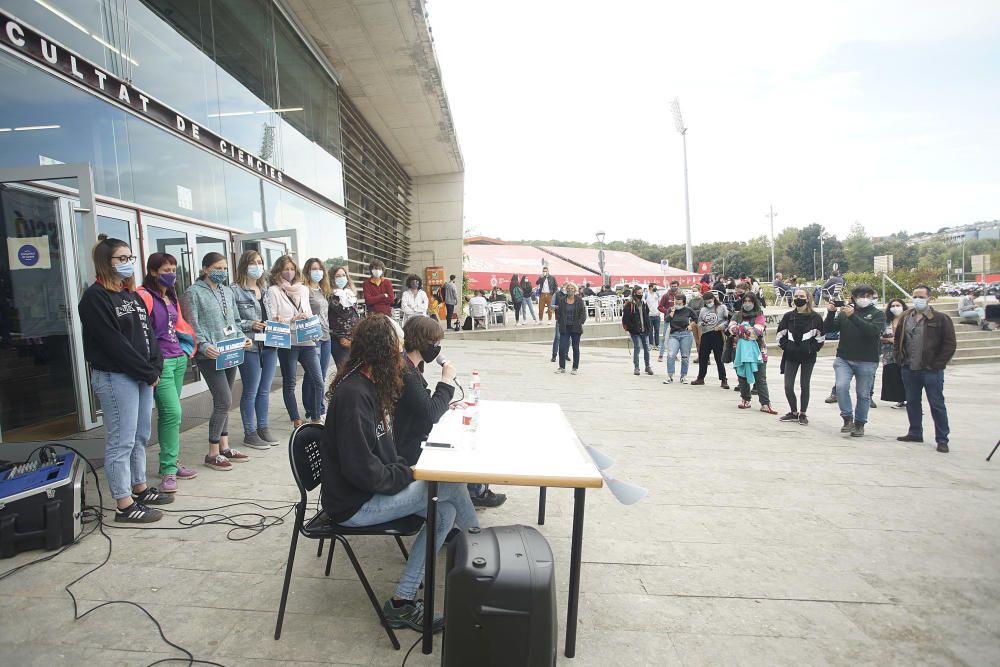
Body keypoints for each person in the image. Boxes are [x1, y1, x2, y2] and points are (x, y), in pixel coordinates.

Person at [319, 315, 479, 631]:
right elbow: (363, 472)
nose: (402, 357)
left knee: (444, 511)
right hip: (354, 504)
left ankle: (403, 602)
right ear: (385, 350)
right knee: (453, 485)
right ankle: (484, 555)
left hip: (370, 489)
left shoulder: (370, 385)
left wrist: (405, 471)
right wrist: (409, 473)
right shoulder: (354, 396)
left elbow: (382, 459)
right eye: (398, 349)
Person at [79, 236, 169, 522]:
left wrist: (155, 366)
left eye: (130, 258)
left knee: (140, 435)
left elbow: (148, 335)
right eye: (122, 258)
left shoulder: (129, 294)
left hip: (141, 377)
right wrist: (146, 372)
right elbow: (113, 344)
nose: (128, 263)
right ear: (106, 262)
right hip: (116, 377)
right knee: (121, 441)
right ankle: (124, 503)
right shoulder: (95, 298)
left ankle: (139, 487)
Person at [183, 252, 253, 471]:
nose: (222, 272)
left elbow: (235, 321)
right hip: (209, 355)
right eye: (217, 268)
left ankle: (224, 446)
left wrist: (243, 339)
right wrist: (204, 346)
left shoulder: (227, 291)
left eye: (224, 268)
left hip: (230, 351)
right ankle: (212, 452)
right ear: (205, 269)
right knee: (222, 400)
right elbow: (191, 326)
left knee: (227, 399)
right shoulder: (193, 293)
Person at [137, 253, 199, 493]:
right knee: (173, 413)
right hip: (160, 364)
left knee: (169, 416)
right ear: (153, 271)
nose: (172, 273)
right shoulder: (144, 296)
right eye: (166, 269)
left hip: (178, 359)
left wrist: (185, 350)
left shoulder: (170, 295)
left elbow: (177, 325)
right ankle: (168, 471)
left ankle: (170, 463)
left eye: (174, 268)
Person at [895, 286, 956, 453]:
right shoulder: (906, 317)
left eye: (921, 296)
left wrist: (938, 363)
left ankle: (942, 438)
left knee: (936, 404)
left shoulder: (940, 319)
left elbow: (949, 344)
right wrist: (898, 358)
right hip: (909, 367)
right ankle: (915, 432)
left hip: (931, 370)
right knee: (912, 402)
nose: (917, 299)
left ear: (929, 298)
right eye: (914, 296)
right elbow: (898, 339)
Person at [230, 250, 280, 451]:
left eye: (260, 262)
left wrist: (274, 322)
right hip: (250, 346)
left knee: (264, 390)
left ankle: (263, 427)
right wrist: (251, 324)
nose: (257, 266)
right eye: (253, 263)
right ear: (244, 266)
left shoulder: (265, 289)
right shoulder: (235, 290)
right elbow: (232, 321)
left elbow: (271, 313)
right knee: (251, 390)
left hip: (269, 344)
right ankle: (249, 432)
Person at [267, 256, 324, 427]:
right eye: (285, 269)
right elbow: (273, 318)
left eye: (292, 269)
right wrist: (293, 318)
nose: (289, 272)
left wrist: (309, 320)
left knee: (318, 381)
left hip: (306, 340)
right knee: (290, 382)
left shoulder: (304, 289)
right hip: (288, 342)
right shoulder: (273, 290)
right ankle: (296, 420)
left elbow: (307, 310)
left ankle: (315, 417)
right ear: (279, 270)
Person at [824, 284, 885, 437]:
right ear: (853, 298)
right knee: (841, 387)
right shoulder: (845, 314)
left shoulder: (877, 314)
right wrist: (831, 313)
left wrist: (853, 316)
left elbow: (872, 331)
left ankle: (860, 423)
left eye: (868, 296)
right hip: (844, 358)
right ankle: (847, 418)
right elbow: (829, 329)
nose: (864, 299)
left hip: (867, 360)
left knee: (863, 394)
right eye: (860, 296)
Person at [776, 288, 825, 425]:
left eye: (801, 296)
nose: (798, 298)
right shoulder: (788, 316)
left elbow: (820, 339)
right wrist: (788, 347)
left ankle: (803, 413)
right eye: (796, 296)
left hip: (808, 357)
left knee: (805, 385)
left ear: (807, 298)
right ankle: (793, 412)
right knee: (788, 386)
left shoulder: (816, 318)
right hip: (791, 356)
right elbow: (780, 336)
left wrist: (810, 349)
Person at [304, 258, 334, 420]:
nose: (318, 272)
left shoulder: (322, 290)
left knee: (321, 375)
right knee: (312, 376)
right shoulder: (305, 290)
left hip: (326, 337)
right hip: (313, 338)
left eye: (320, 269)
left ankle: (319, 408)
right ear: (307, 271)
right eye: (314, 269)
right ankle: (313, 411)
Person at [691, 290, 730, 388]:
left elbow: (728, 320)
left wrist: (721, 326)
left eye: (710, 301)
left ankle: (723, 379)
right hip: (705, 334)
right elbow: (699, 322)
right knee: (703, 357)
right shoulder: (703, 310)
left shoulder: (722, 308)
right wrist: (702, 324)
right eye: (706, 302)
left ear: (713, 299)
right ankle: (700, 378)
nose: (708, 303)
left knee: (719, 358)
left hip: (717, 334)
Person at [328, 265, 360, 369]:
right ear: (332, 278)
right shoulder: (330, 296)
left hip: (354, 340)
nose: (341, 278)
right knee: (344, 372)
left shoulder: (349, 294)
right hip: (340, 341)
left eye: (343, 275)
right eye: (338, 276)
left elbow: (355, 315)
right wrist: (341, 338)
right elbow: (331, 320)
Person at [662, 293, 696, 384]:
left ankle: (683, 376)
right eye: (676, 302)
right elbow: (666, 320)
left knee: (685, 356)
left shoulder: (688, 310)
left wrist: (690, 325)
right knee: (671, 355)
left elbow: (696, 318)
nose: (677, 305)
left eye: (679, 303)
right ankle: (670, 376)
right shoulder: (671, 309)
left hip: (686, 334)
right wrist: (672, 313)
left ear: (684, 303)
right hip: (674, 335)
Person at [880, 298, 908, 409]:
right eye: (893, 305)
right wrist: (888, 340)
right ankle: (899, 399)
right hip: (889, 354)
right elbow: (880, 335)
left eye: (898, 305)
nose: (895, 308)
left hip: (905, 353)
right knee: (893, 377)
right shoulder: (886, 321)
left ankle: (909, 399)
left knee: (906, 377)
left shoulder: (908, 320)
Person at [555, 282, 586, 374]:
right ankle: (561, 367)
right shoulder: (562, 300)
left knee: (575, 347)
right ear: (566, 290)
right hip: (565, 327)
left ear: (575, 290)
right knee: (562, 347)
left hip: (576, 328)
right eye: (568, 288)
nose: (570, 290)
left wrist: (580, 322)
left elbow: (583, 314)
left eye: (572, 288)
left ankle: (575, 368)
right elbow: (558, 313)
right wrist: (560, 321)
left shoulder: (579, 300)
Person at [622, 285, 654, 376]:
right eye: (638, 293)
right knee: (637, 348)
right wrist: (631, 328)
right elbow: (626, 319)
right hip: (635, 331)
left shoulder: (644, 303)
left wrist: (648, 327)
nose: (640, 295)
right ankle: (636, 367)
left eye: (641, 293)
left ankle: (647, 366)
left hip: (645, 330)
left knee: (647, 348)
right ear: (634, 293)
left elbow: (647, 315)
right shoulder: (629, 304)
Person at [656, 280, 682, 361]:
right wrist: (667, 311)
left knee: (676, 337)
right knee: (665, 338)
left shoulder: (680, 295)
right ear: (670, 286)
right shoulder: (666, 295)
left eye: (675, 286)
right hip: (668, 320)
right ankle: (660, 355)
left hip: (678, 321)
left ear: (678, 286)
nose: (674, 288)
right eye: (672, 286)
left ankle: (674, 355)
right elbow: (660, 307)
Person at [643, 283, 662, 349]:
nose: (655, 288)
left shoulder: (657, 294)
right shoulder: (646, 294)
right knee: (650, 331)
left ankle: (657, 344)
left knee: (657, 330)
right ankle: (650, 344)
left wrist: (659, 311)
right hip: (649, 315)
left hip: (656, 315)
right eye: (654, 287)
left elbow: (660, 303)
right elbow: (644, 304)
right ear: (650, 287)